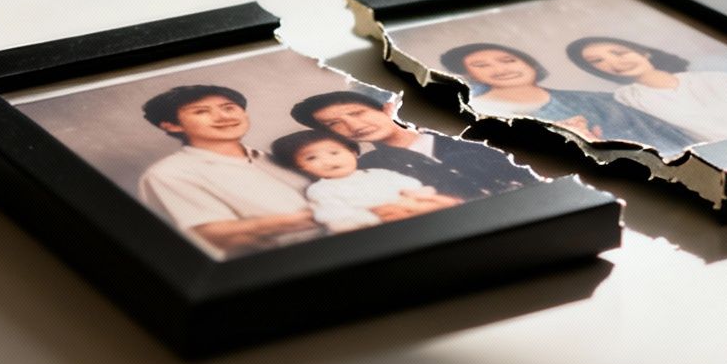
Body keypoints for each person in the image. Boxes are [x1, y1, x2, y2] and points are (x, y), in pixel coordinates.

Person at [135, 83, 320, 257]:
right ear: (172, 125)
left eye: (228, 108)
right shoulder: (170, 174)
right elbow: (213, 235)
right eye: (201, 111)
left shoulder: (272, 157)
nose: (224, 117)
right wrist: (319, 215)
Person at [437, 42, 697, 155]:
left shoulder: (600, 101)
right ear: (467, 74)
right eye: (482, 65)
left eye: (509, 60)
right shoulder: (472, 113)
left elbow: (672, 145)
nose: (502, 69)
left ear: (530, 64)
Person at [289, 90, 530, 200]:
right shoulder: (365, 171)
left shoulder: (470, 135)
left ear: (386, 108)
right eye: (334, 124)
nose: (353, 125)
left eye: (357, 112)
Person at [564, 36, 727, 143]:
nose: (614, 62)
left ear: (643, 51)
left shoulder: (715, 78)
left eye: (619, 52)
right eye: (597, 62)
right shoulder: (625, 99)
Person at [268, 130, 461, 233]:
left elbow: (413, 186)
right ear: (299, 167)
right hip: (380, 222)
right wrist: (375, 218)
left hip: (415, 209)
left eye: (335, 152)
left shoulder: (379, 172)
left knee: (446, 205)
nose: (328, 161)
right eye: (311, 158)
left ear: (353, 152)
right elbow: (334, 217)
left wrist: (417, 195)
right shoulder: (321, 190)